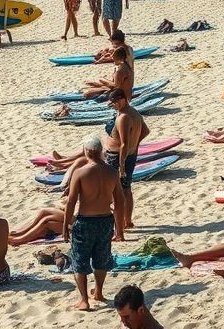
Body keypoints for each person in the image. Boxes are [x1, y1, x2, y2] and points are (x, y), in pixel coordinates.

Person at [64, 135, 124, 311]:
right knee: (101, 259)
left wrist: (66, 225)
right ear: (101, 152)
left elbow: (71, 201)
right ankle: (98, 292)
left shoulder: (80, 172)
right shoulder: (112, 173)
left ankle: (84, 299)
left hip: (85, 222)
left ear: (86, 152)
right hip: (106, 221)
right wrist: (119, 229)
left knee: (79, 260)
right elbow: (120, 202)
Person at [105, 89, 148, 232]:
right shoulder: (135, 112)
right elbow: (145, 131)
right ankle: (127, 220)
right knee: (126, 189)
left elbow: (123, 143)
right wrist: (134, 145)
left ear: (123, 99)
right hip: (129, 154)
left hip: (118, 157)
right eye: (113, 103)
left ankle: (122, 224)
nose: (115, 105)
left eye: (116, 102)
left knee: (117, 191)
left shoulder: (124, 117)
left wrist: (121, 166)